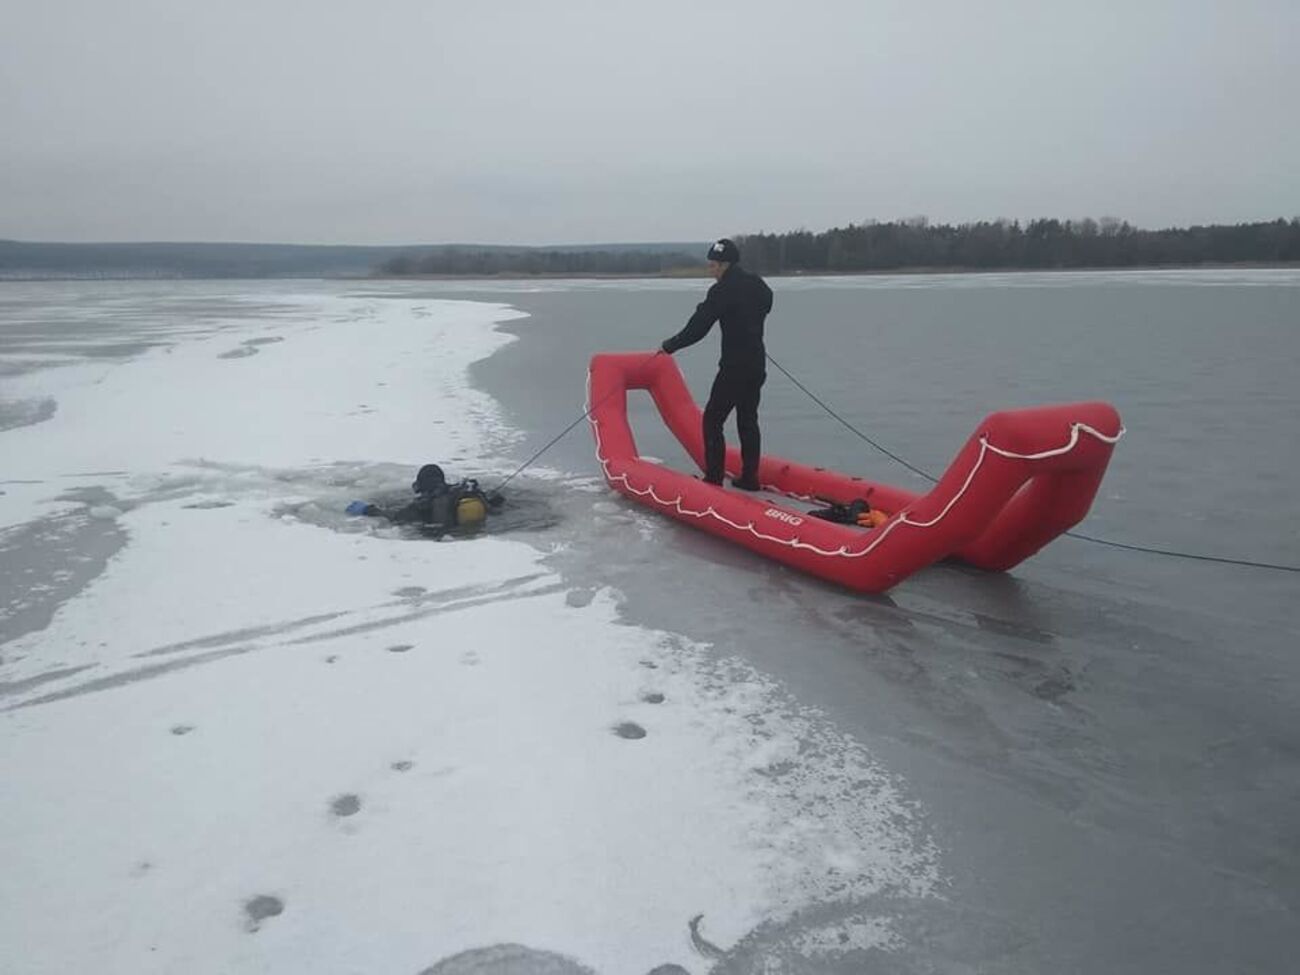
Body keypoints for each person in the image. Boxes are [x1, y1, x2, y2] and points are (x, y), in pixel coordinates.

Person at [660, 238, 773, 490]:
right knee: (748, 419)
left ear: (724, 265)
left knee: (712, 420)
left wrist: (670, 345)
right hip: (757, 363)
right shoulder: (757, 284)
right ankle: (750, 478)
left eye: (712, 265)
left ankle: (713, 478)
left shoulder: (721, 291)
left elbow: (698, 327)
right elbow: (767, 303)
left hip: (734, 367)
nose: (710, 270)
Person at [346, 463, 497, 534]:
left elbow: (396, 517)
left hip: (447, 535)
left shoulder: (425, 503)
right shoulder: (459, 491)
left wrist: (367, 509)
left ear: (421, 484)